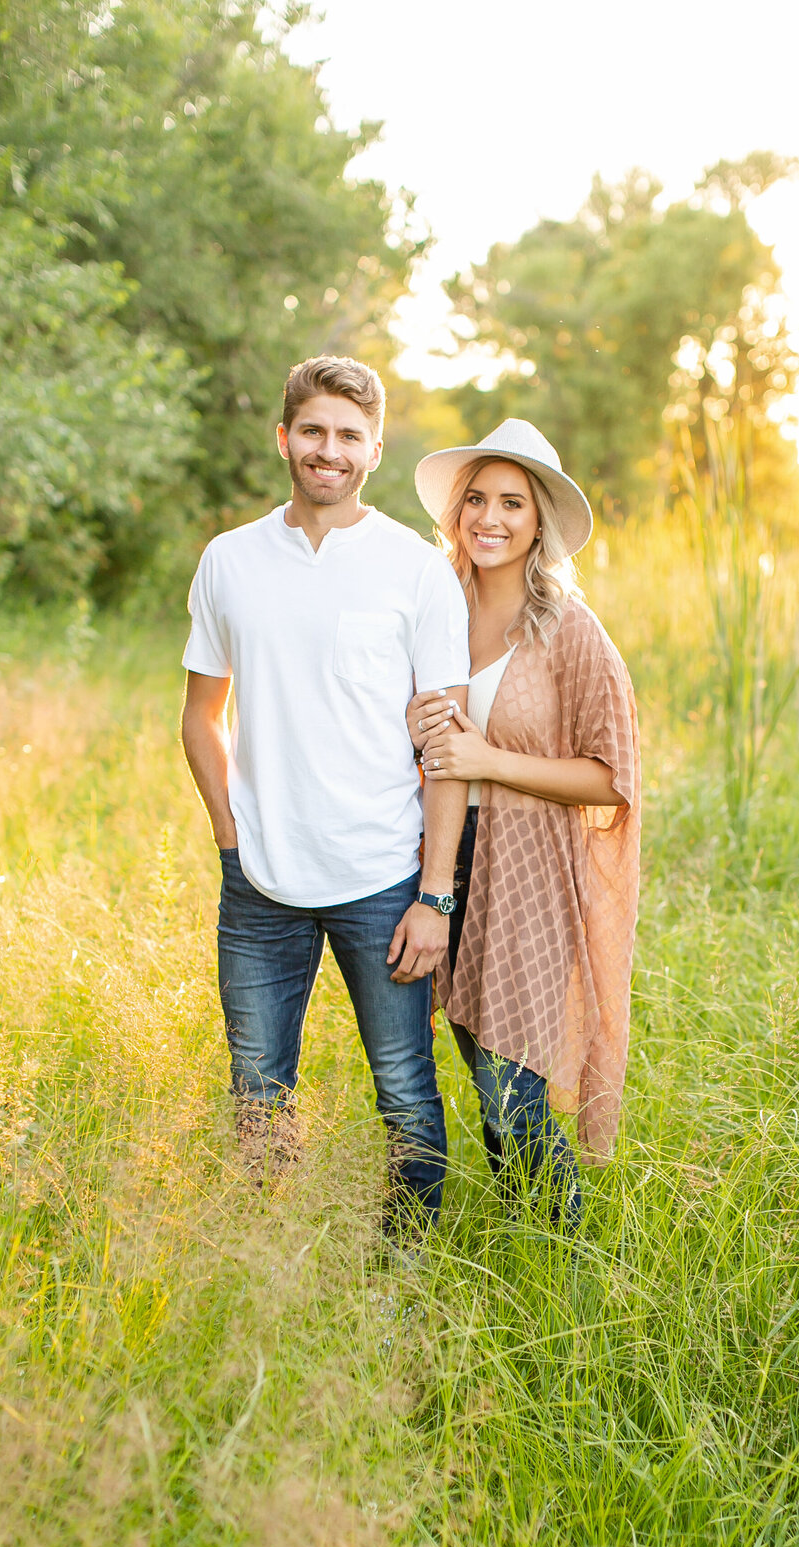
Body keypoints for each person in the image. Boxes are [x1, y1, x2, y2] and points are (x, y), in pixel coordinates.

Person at [180, 355, 470, 1238]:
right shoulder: (230, 560)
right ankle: (274, 1265)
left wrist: (434, 895)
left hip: (383, 877)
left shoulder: (416, 571)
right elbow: (201, 716)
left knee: (406, 1093)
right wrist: (233, 835)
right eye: (313, 430)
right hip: (259, 884)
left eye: (349, 435)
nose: (328, 449)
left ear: (375, 449)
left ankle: (405, 1271)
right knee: (257, 1091)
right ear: (284, 438)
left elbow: (448, 754)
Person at [409, 419, 640, 1229]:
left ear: (539, 520)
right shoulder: (428, 604)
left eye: (512, 501)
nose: (491, 517)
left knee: (513, 1090)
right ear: (455, 512)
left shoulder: (569, 630)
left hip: (528, 872)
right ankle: (524, 1242)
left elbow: (614, 780)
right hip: (432, 860)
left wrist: (489, 761)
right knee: (479, 1071)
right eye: (476, 498)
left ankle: (569, 1257)